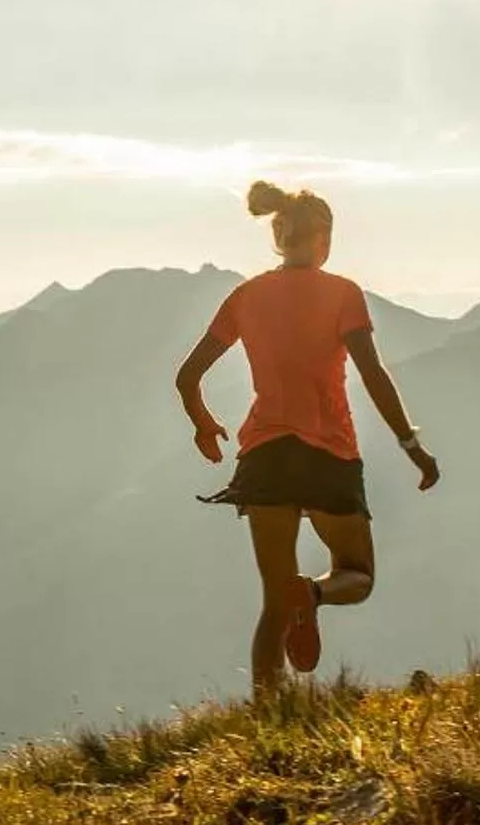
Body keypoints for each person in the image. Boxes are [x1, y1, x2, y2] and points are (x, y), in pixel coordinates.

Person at [175, 181, 441, 700]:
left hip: (265, 455)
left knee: (275, 602)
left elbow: (187, 377)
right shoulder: (342, 293)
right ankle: (314, 593)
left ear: (279, 236)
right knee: (357, 574)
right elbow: (373, 375)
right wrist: (413, 447)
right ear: (323, 238)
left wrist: (204, 424)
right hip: (328, 454)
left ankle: (265, 723)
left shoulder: (246, 297)